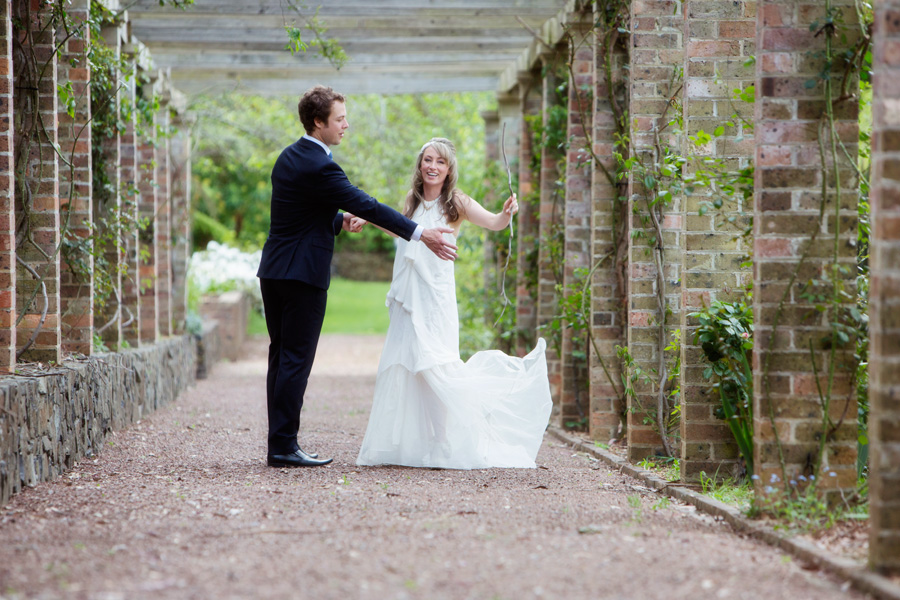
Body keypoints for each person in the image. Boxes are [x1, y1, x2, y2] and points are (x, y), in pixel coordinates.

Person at [256, 87, 458, 468]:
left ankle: (280, 443)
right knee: (296, 359)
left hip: (275, 270)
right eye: (340, 119)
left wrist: (336, 220)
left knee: (281, 357)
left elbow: (297, 212)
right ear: (319, 123)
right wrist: (418, 232)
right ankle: (283, 446)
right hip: (303, 275)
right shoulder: (321, 164)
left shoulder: (289, 157)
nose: (346, 125)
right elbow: (365, 203)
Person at [355, 137, 552, 469]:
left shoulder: (456, 202)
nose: (433, 167)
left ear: (449, 170)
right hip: (408, 296)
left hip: (434, 299)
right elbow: (401, 230)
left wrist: (507, 212)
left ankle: (446, 441)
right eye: (428, 160)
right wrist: (368, 218)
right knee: (410, 366)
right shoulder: (412, 199)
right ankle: (414, 442)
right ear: (420, 165)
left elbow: (493, 223)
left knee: (436, 365)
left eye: (440, 162)